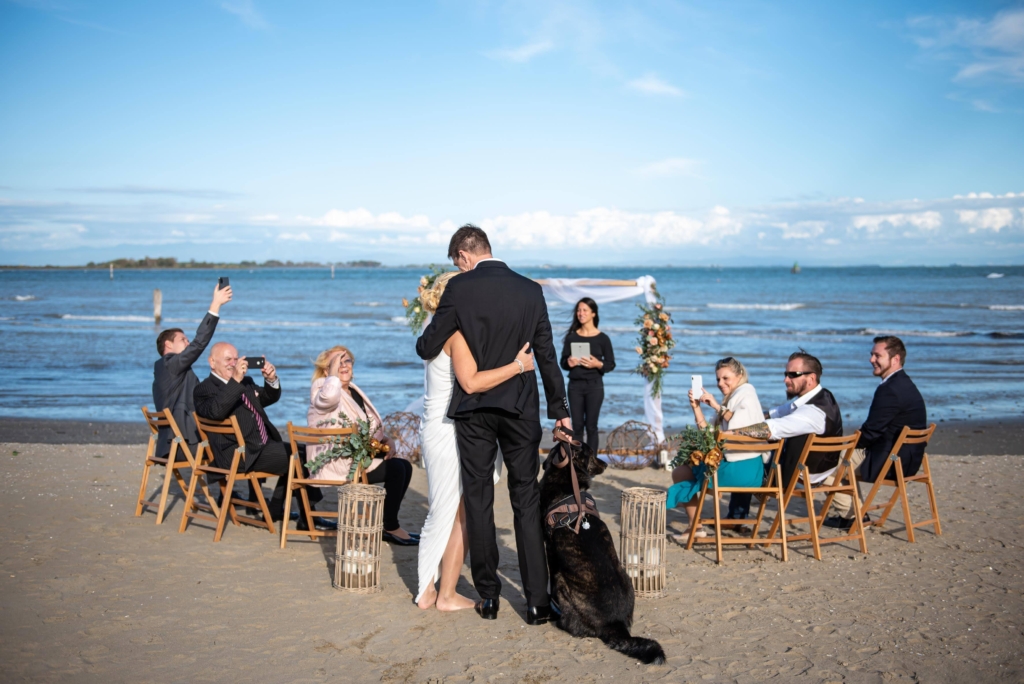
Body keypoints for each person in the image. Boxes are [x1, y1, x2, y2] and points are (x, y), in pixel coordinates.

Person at [415, 224, 571, 625]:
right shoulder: (530, 290)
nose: (460, 269)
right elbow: (547, 356)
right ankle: (537, 602)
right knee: (526, 500)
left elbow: (426, 347)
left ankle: (488, 597)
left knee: (479, 499)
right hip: (521, 407)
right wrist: (562, 410)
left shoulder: (460, 289)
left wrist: (458, 324)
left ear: (464, 255)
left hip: (475, 410)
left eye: (457, 263)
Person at [415, 271, 537, 611]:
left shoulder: (438, 330)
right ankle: (427, 590)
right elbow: (471, 383)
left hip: (445, 425)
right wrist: (518, 365)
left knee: (462, 512)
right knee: (443, 512)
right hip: (448, 427)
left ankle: (447, 592)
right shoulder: (455, 333)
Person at [308, 346, 418, 544]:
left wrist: (386, 440)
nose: (343, 365)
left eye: (347, 361)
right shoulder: (322, 388)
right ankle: (391, 527)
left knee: (404, 465)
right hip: (337, 460)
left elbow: (368, 426)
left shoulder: (352, 391)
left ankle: (388, 524)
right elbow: (328, 400)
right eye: (337, 362)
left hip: (357, 456)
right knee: (396, 469)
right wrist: (332, 377)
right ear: (326, 370)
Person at [823, 335, 927, 530]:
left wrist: (846, 444)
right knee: (835, 459)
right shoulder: (905, 384)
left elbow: (870, 433)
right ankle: (854, 513)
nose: (871, 360)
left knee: (820, 463)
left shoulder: (890, 390)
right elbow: (876, 430)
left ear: (895, 359)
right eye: (871, 355)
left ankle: (854, 517)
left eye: (877, 355)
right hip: (908, 461)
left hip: (890, 463)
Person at [723, 350, 843, 501]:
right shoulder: (821, 396)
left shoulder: (812, 413)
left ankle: (737, 515)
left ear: (811, 378)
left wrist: (729, 433)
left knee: (745, 456)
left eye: (793, 375)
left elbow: (770, 429)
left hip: (800, 477)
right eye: (785, 374)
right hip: (817, 468)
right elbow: (775, 413)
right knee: (749, 448)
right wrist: (743, 415)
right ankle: (737, 515)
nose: (786, 380)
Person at [666, 357, 765, 540]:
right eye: (718, 379)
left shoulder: (747, 392)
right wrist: (696, 408)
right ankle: (694, 523)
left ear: (740, 375)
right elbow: (709, 435)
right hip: (742, 468)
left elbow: (742, 425)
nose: (720, 383)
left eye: (725, 378)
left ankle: (695, 526)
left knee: (681, 473)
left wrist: (716, 406)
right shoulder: (732, 398)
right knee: (683, 469)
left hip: (742, 468)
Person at [193, 342, 291, 520]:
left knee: (304, 452)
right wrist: (235, 381)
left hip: (258, 446)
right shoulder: (204, 389)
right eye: (228, 359)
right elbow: (216, 411)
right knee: (300, 459)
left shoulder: (246, 382)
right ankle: (295, 515)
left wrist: (270, 380)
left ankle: (276, 508)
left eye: (236, 359)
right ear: (212, 362)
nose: (233, 363)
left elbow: (266, 398)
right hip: (235, 454)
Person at [152, 282, 231, 460]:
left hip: (173, 444)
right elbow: (198, 344)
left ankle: (227, 488)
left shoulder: (169, 371)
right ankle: (230, 487)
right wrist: (215, 305)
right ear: (168, 344)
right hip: (183, 444)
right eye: (183, 340)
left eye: (187, 340)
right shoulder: (170, 364)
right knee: (236, 445)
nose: (187, 344)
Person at [560, 298, 615, 454]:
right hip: (575, 386)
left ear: (593, 313)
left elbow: (610, 364)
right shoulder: (571, 337)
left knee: (591, 426)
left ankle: (590, 462)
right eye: (578, 310)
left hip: (595, 386)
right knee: (576, 426)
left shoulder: (603, 338)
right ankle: (576, 461)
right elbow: (562, 362)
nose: (580, 313)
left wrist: (598, 364)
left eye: (584, 310)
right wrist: (569, 362)